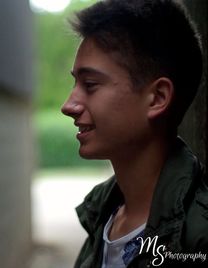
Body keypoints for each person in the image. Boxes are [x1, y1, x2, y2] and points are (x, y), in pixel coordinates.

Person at [61, 0, 207, 267]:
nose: (68, 105)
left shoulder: (199, 236)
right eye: (75, 83)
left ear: (157, 98)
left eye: (90, 84)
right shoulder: (100, 215)